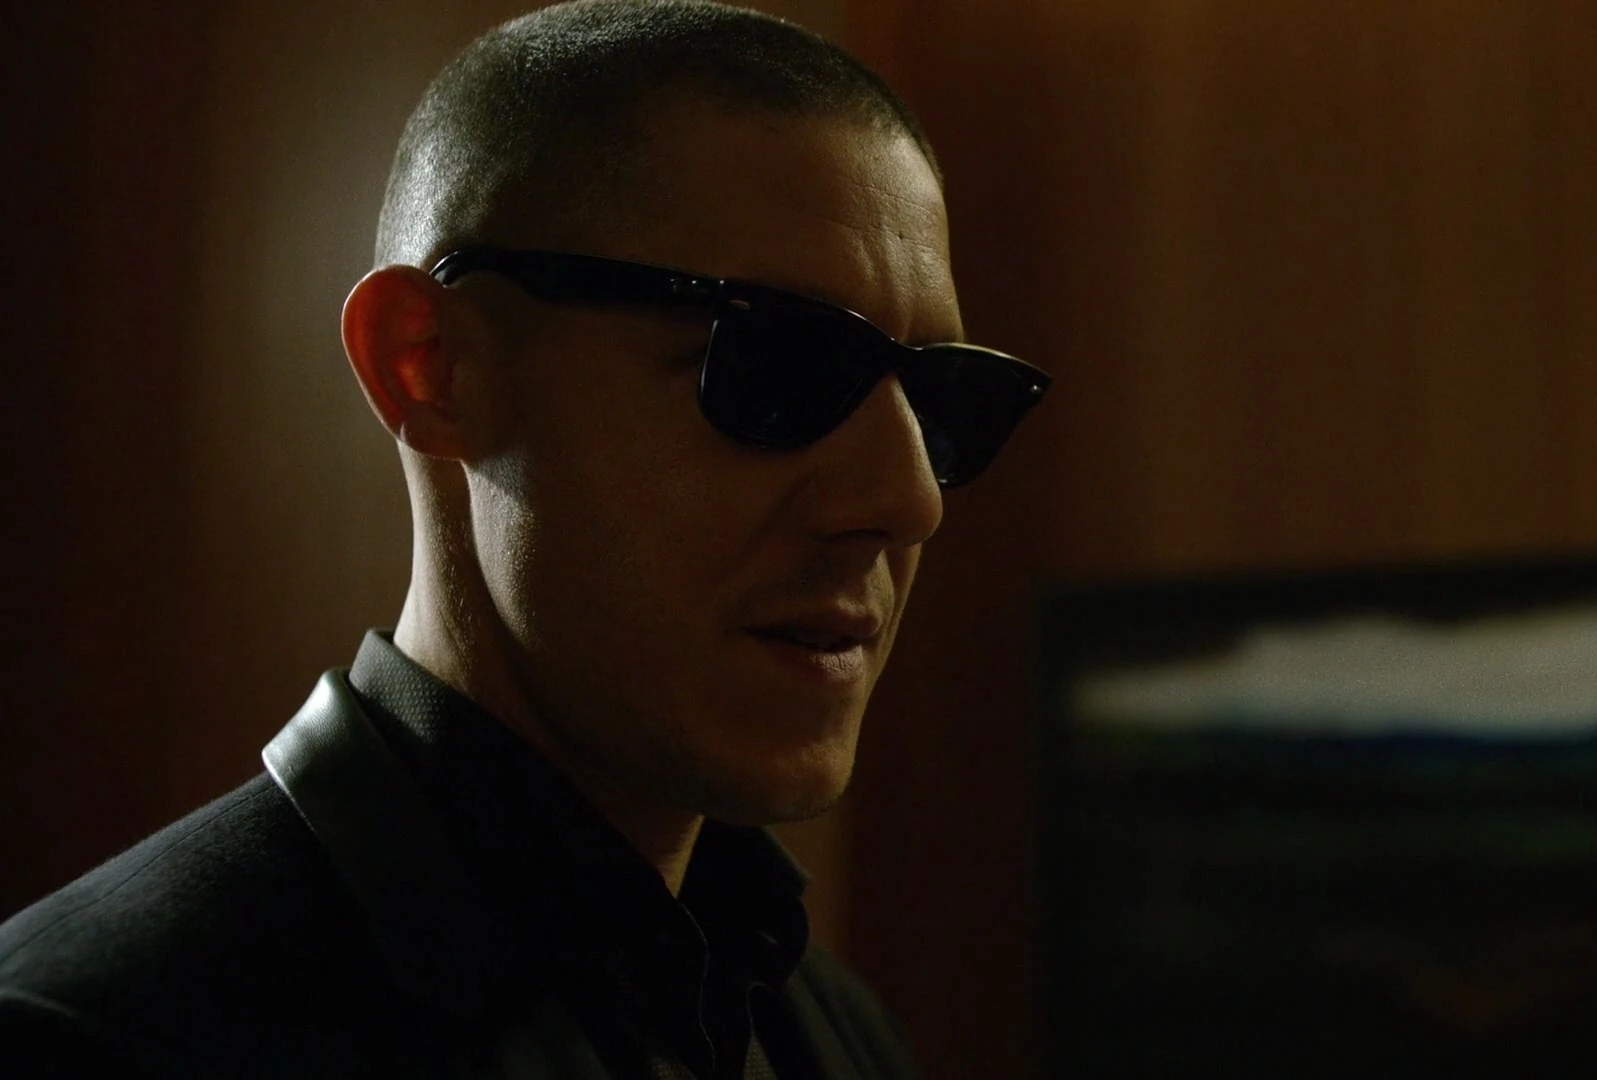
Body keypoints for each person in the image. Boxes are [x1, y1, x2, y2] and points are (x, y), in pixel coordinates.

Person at [0, 2, 1049, 1076]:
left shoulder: (834, 1035)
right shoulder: (91, 1039)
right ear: (430, 363)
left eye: (940, 399)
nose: (907, 500)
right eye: (780, 365)